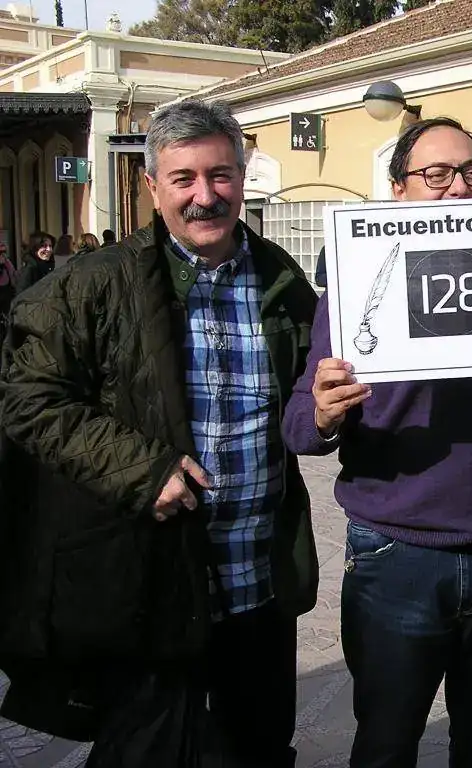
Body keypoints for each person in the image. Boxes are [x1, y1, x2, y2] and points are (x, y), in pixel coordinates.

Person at [0, 97, 318, 768]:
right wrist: (142, 470)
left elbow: (306, 402)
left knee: (260, 747)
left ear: (242, 177)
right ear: (152, 186)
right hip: (151, 582)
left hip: (258, 580)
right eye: (184, 179)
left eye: (221, 174)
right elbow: (26, 399)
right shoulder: (92, 285)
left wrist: (325, 413)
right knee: (149, 751)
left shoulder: (283, 280)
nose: (206, 195)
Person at [282, 115, 472, 768]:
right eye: (436, 173)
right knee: (386, 745)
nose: (458, 187)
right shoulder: (356, 288)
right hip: (397, 556)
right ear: (399, 191)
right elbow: (300, 427)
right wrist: (325, 412)